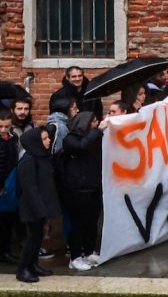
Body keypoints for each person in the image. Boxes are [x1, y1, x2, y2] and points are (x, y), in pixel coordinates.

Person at [58, 111, 106, 271]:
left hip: (94, 187)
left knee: (92, 222)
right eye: (93, 121)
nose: (96, 124)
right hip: (77, 190)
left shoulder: (94, 137)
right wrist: (98, 130)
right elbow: (81, 146)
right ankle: (75, 256)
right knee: (79, 223)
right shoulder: (70, 140)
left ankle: (89, 252)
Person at [15, 126, 60, 283]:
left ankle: (33, 265)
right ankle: (23, 269)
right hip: (33, 208)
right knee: (32, 238)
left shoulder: (41, 157)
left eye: (48, 137)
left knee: (38, 238)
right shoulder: (28, 161)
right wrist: (40, 210)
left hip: (42, 206)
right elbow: (30, 189)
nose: (49, 141)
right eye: (44, 138)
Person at [0, 109, 18, 264]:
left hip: (10, 183)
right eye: (0, 126)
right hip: (3, 184)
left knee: (7, 221)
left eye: (6, 126)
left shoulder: (13, 139)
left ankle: (5, 251)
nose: (3, 130)